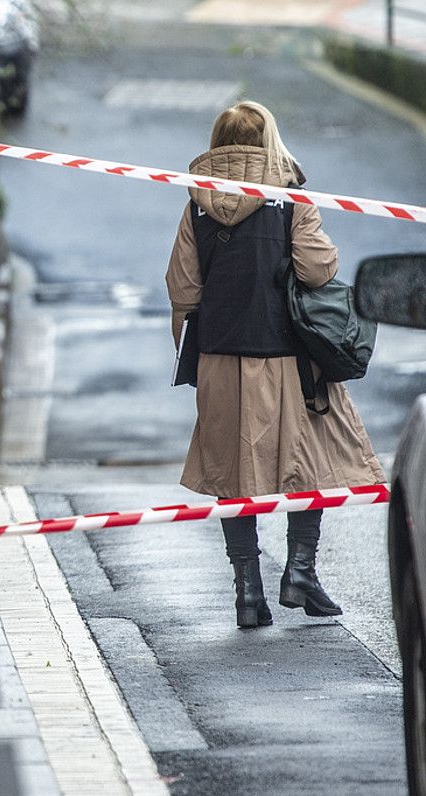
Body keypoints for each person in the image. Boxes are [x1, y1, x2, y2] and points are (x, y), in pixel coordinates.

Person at [164, 100, 384, 629]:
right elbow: (315, 268)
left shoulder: (197, 200)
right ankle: (301, 571)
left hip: (219, 356)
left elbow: (183, 286)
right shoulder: (289, 196)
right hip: (286, 357)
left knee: (230, 473)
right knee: (312, 461)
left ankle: (247, 591)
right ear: (269, 141)